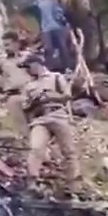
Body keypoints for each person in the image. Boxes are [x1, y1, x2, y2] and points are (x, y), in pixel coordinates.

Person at [10, 57, 81, 189]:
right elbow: (25, 107)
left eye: (28, 66)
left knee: (69, 151)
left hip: (58, 115)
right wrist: (33, 102)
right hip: (40, 118)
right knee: (36, 149)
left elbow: (67, 96)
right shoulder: (29, 86)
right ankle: (32, 182)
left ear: (37, 64)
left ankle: (73, 186)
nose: (27, 70)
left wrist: (48, 96)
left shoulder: (55, 77)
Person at [26, 0, 76, 72]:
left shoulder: (55, 0)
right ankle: (49, 70)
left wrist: (64, 22)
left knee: (63, 48)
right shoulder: (37, 2)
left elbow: (61, 13)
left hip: (57, 27)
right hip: (45, 29)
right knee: (48, 49)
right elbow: (32, 13)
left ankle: (67, 68)